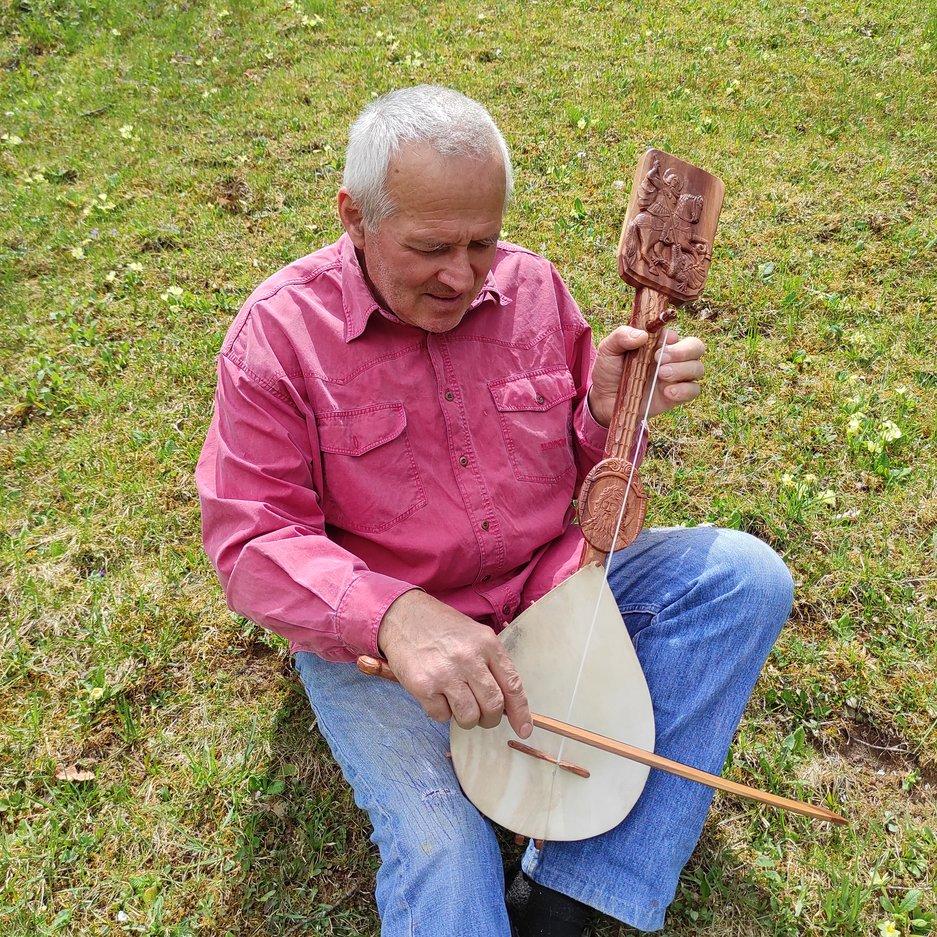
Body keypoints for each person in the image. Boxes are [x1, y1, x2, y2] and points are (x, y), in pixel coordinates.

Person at [196, 85, 793, 936]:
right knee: (443, 850)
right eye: (431, 246)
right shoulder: (279, 336)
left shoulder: (533, 288)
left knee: (743, 577)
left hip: (552, 591)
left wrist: (607, 412)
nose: (463, 274)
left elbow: (585, 476)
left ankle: (576, 894)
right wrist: (394, 615)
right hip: (387, 651)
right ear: (353, 216)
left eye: (481, 241)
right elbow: (249, 538)